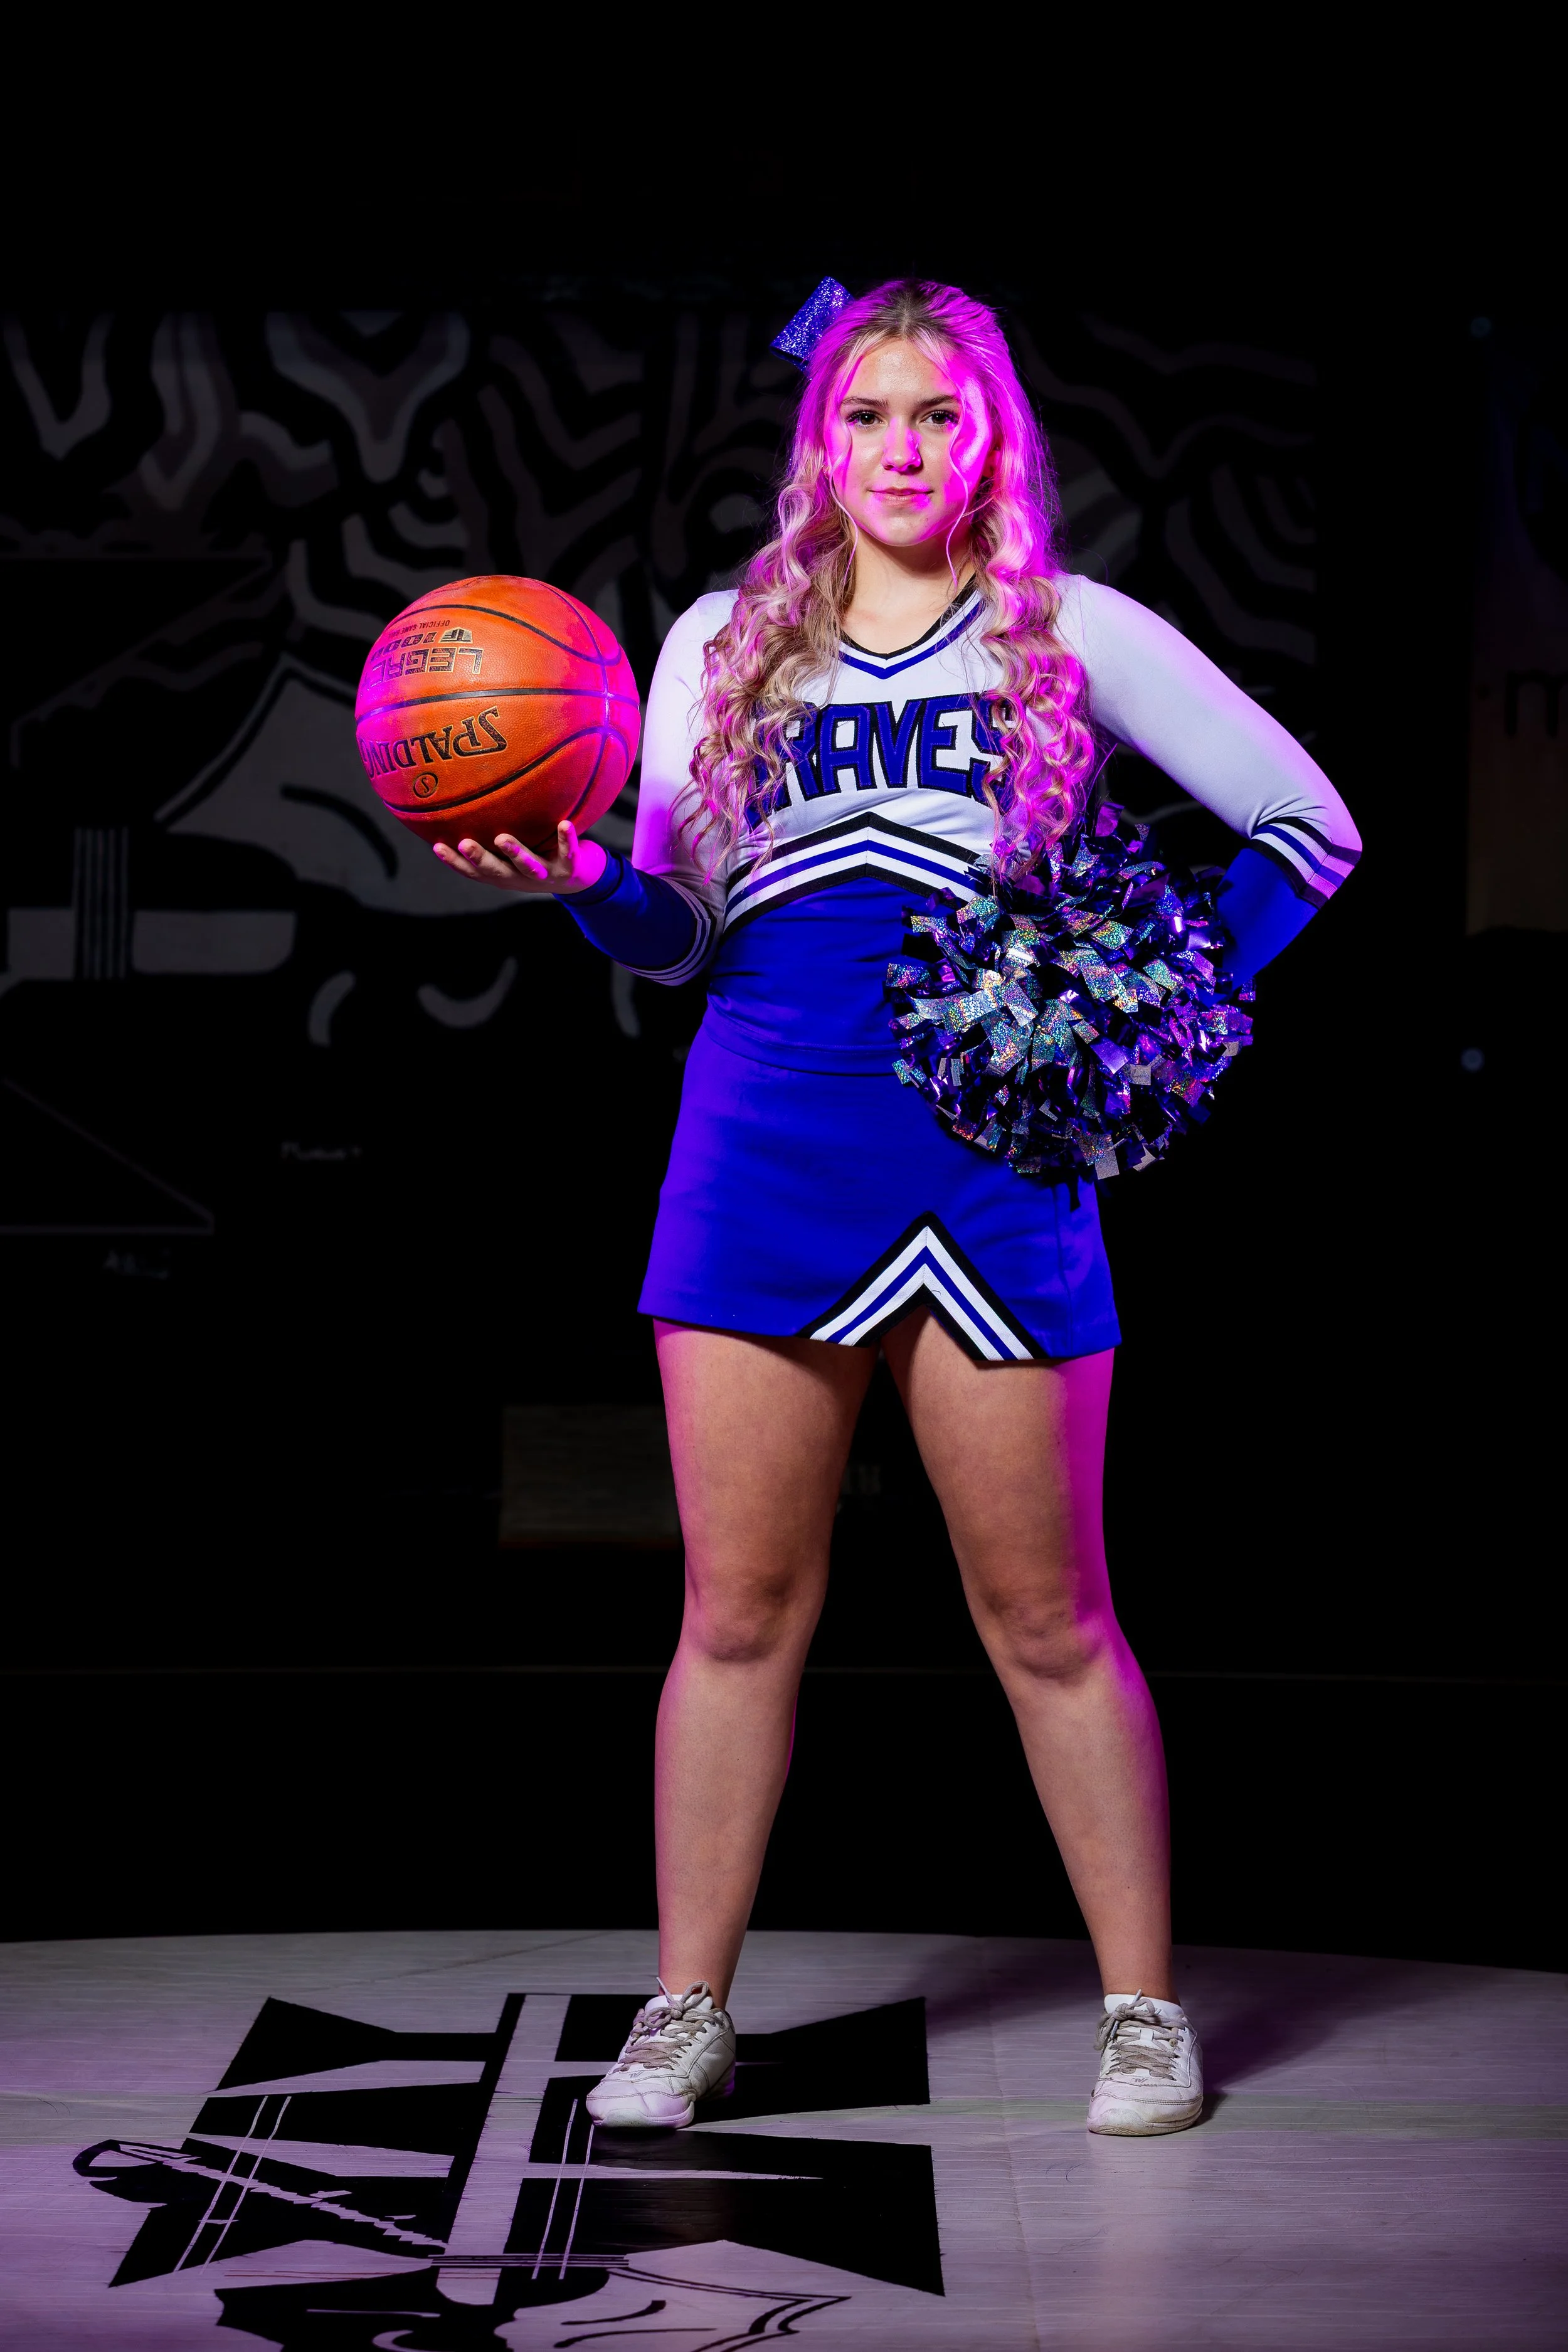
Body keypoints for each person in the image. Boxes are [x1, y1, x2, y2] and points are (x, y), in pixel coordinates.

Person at [434, 279, 1360, 2137]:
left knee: (1047, 1616)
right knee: (734, 1609)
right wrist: (583, 883)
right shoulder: (718, 641)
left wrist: (1157, 998)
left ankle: (1138, 2010)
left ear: (990, 438)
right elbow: (684, 928)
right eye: (866, 415)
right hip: (764, 1142)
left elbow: (1306, 825)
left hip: (991, 1169)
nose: (902, 448)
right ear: (818, 442)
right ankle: (685, 2006)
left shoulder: (1066, 632)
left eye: (939, 414)